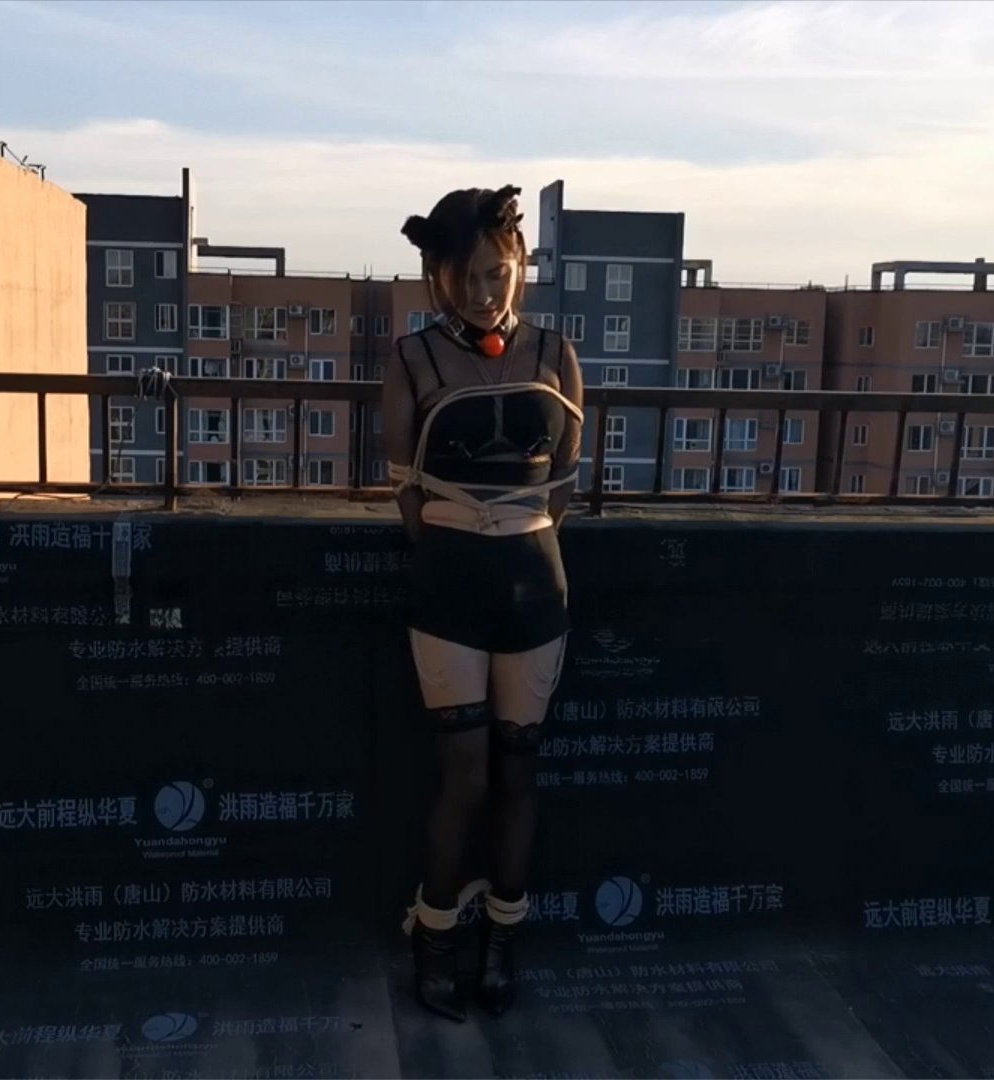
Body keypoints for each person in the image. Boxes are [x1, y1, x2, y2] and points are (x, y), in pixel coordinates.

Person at [382, 185, 585, 1021]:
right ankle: (434, 934)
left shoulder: (557, 352)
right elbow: (406, 494)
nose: (481, 291)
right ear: (435, 275)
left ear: (520, 267)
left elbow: (564, 484)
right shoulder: (411, 358)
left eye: (496, 274)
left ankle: (503, 937)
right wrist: (464, 536)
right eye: (463, 276)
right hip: (449, 583)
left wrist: (512, 532)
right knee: (463, 774)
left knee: (517, 771)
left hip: (534, 580)